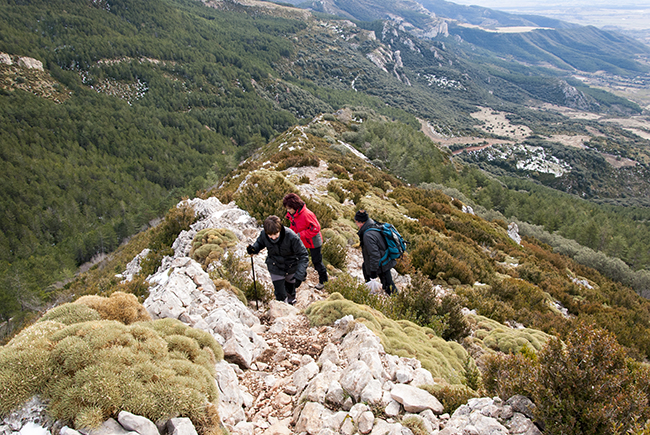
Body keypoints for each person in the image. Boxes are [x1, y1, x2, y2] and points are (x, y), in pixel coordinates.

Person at [247, 215, 309, 305]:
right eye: (270, 235)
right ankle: (281, 309)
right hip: (275, 266)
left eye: (275, 234)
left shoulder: (291, 236)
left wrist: (300, 275)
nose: (273, 237)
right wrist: (254, 249)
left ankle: (291, 302)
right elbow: (259, 243)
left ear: (280, 229)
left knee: (290, 289)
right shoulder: (264, 234)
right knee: (280, 293)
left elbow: (303, 255)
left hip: (291, 266)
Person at [283, 193, 329, 290]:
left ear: (294, 206)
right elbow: (294, 226)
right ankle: (302, 276)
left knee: (317, 262)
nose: (287, 211)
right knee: (299, 258)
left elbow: (316, 228)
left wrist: (300, 235)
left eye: (289, 208)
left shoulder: (307, 214)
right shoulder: (293, 214)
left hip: (313, 241)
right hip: (302, 240)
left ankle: (323, 281)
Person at [354, 210, 398, 295]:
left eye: (356, 222)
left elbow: (374, 255)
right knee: (388, 284)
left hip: (381, 264)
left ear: (361, 222)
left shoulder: (368, 235)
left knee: (389, 286)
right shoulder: (373, 225)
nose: (356, 224)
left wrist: (373, 273)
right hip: (384, 260)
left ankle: (399, 304)